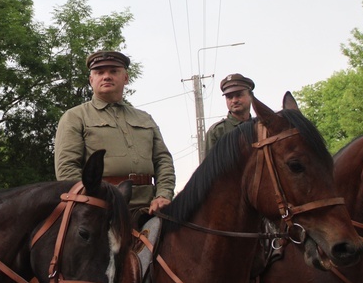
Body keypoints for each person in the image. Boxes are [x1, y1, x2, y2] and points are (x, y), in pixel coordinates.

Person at [54, 50, 176, 227]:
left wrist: (163, 195)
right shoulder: (75, 117)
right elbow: (66, 169)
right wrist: (93, 202)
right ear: (91, 80)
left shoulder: (144, 118)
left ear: (125, 78)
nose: (106, 77)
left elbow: (163, 160)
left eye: (113, 71)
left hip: (149, 209)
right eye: (100, 72)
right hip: (101, 211)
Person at [205, 73, 255, 154]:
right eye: (229, 97)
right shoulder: (217, 131)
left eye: (239, 95)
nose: (234, 100)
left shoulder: (260, 127)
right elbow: (210, 165)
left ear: (251, 96)